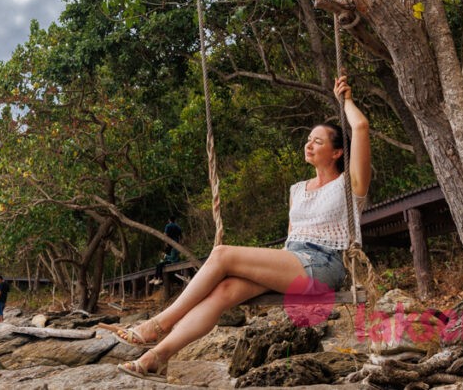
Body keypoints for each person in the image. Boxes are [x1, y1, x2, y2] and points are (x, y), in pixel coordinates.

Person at [107, 76, 371, 380]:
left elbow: (361, 129)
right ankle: (157, 357)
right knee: (224, 290)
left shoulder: (349, 185)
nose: (309, 144)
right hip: (292, 262)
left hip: (325, 267)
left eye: (318, 141)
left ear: (338, 153)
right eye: (308, 140)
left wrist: (345, 101)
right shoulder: (297, 189)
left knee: (221, 254)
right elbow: (291, 240)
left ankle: (158, 324)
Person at [152, 217, 184, 284]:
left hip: (170, 242)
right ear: (175, 220)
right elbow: (181, 236)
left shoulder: (168, 226)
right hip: (176, 243)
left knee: (166, 255)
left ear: (169, 220)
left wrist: (165, 242)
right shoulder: (178, 227)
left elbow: (165, 234)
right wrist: (181, 243)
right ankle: (157, 276)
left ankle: (158, 277)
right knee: (171, 255)